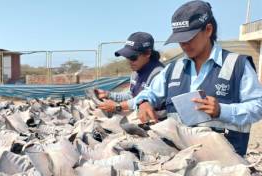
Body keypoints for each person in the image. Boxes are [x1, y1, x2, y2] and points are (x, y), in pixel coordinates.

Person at [134, 0, 262, 156]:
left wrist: (223, 110)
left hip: (225, 164)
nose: (184, 45)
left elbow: (258, 106)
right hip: (181, 160)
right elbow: (149, 93)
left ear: (208, 30)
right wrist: (143, 102)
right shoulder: (173, 69)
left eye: (189, 38)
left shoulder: (237, 65)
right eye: (180, 40)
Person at [97, 32, 164, 113]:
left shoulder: (159, 74)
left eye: (133, 57)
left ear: (147, 53)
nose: (129, 61)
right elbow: (132, 95)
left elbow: (147, 102)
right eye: (127, 57)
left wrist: (118, 107)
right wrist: (108, 95)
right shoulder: (136, 71)